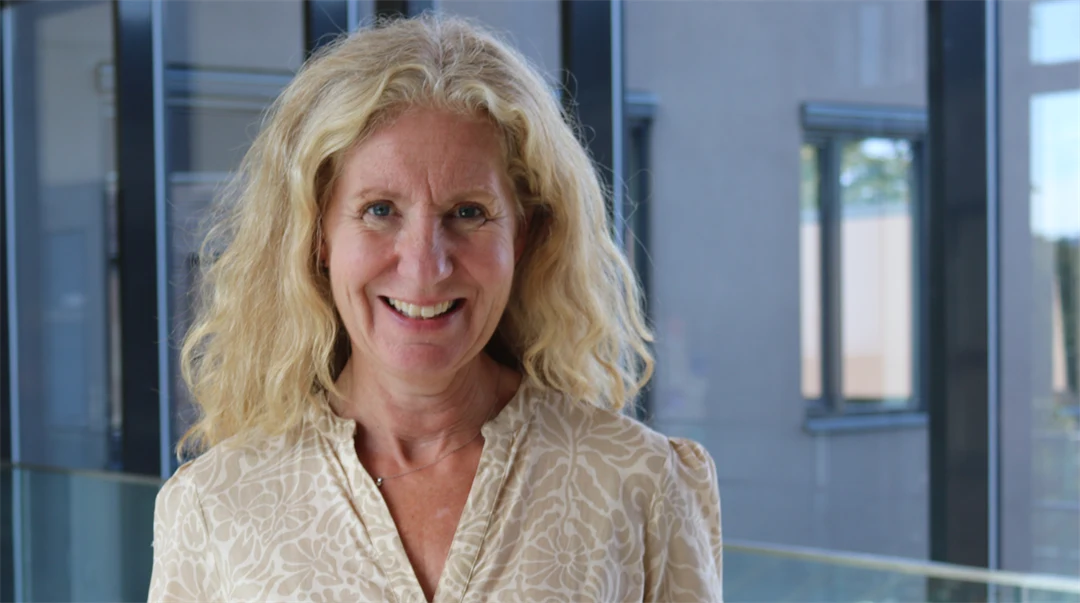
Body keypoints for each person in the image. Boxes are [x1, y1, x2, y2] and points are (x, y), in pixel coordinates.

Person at [148, 14, 722, 603]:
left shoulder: (640, 483)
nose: (425, 267)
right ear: (317, 235)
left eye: (468, 213)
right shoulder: (216, 505)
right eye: (379, 210)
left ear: (524, 236)